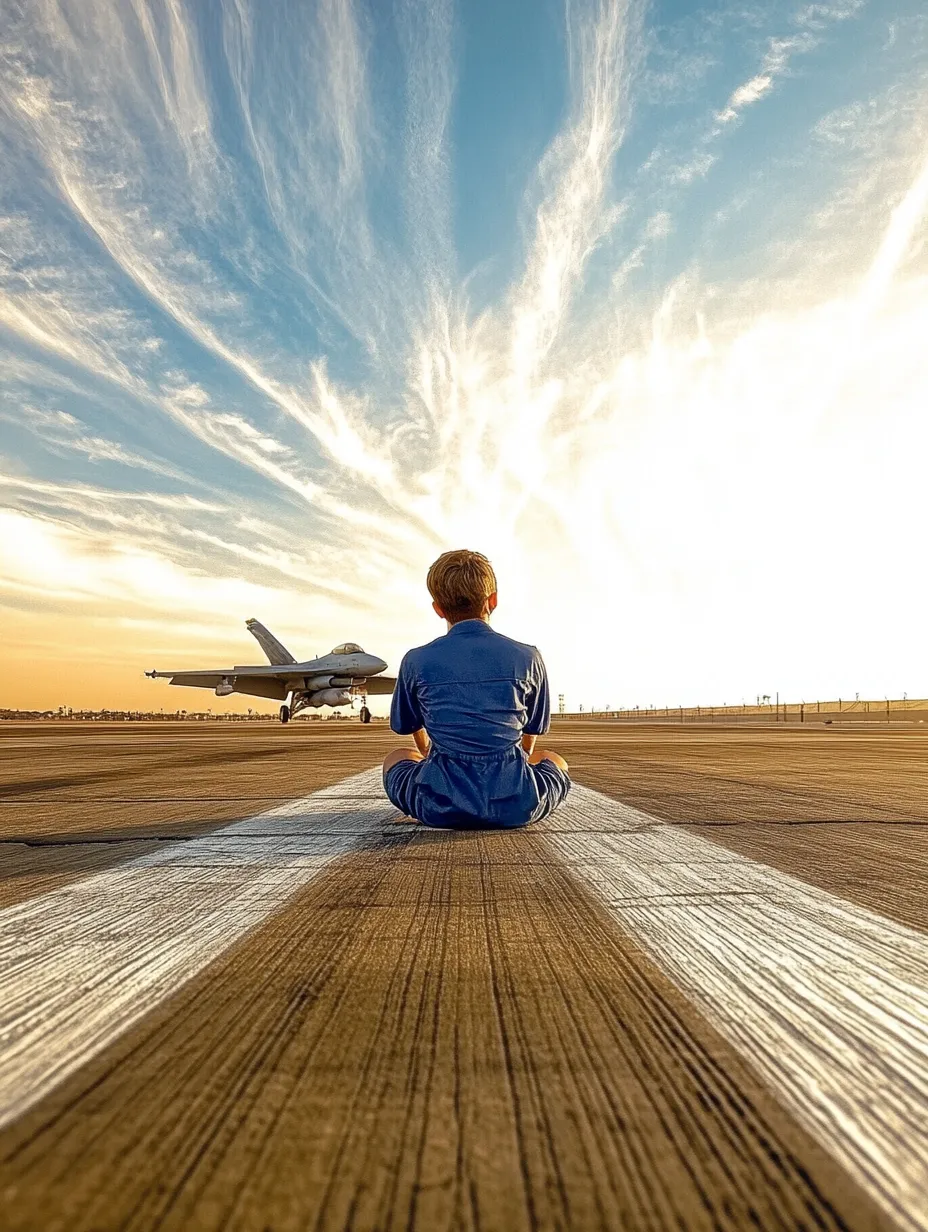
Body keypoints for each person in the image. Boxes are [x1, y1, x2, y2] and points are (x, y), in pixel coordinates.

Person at [382, 549, 570, 829]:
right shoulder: (529, 657)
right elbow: (531, 734)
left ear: (438, 609)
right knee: (556, 760)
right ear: (492, 601)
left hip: (439, 807)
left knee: (395, 757)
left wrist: (430, 756)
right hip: (517, 805)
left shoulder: (415, 659)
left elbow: (408, 726)